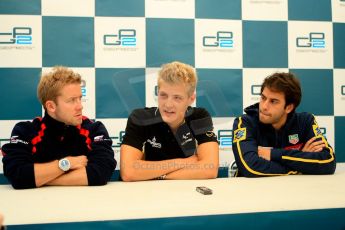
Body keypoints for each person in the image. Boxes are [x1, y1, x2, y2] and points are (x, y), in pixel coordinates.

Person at [2, 66, 116, 189]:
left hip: (84, 205)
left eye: (80, 98)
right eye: (72, 100)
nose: (80, 106)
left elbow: (101, 172)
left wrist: (42, 178)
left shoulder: (94, 129)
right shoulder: (25, 131)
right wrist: (66, 164)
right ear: (51, 106)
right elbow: (17, 174)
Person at [120, 61, 219, 181]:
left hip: (187, 192)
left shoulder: (199, 116)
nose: (168, 105)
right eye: (163, 95)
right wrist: (184, 162)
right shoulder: (140, 118)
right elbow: (129, 172)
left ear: (191, 99)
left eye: (177, 98)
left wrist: (158, 176)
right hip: (148, 192)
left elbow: (210, 169)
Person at [232, 72, 336, 177]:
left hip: (294, 190)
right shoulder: (245, 122)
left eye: (273, 101)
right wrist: (301, 162)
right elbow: (250, 167)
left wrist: (273, 154)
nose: (264, 106)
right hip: (253, 191)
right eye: (263, 98)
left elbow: (328, 162)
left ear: (289, 107)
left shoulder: (306, 121)